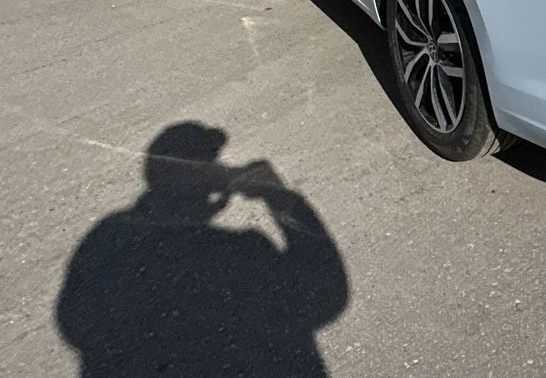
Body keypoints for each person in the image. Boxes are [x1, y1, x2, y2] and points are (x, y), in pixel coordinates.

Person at [56, 122, 348, 377]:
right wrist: (280, 197)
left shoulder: (106, 242)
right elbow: (326, 293)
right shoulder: (244, 255)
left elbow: (73, 322)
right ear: (212, 187)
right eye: (214, 165)